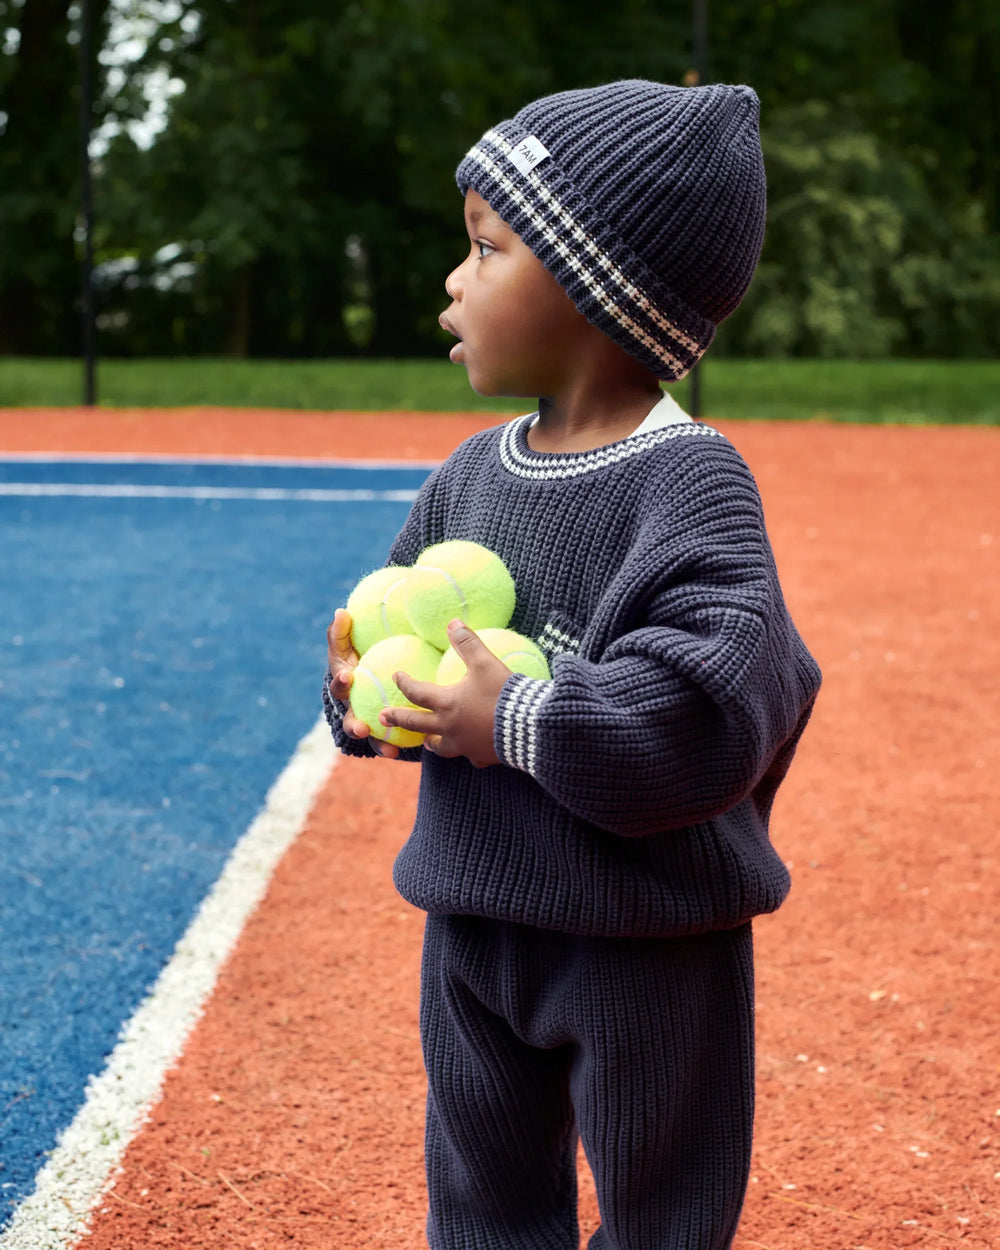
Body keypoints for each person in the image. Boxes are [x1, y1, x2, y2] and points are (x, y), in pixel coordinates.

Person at [323, 79, 822, 1250]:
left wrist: (519, 718)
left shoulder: (690, 481)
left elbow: (713, 706)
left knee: (663, 1211)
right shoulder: (468, 474)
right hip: (475, 914)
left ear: (600, 290)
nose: (455, 280)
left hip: (642, 934)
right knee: (481, 1206)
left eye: (486, 248)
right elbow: (411, 662)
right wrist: (365, 694)